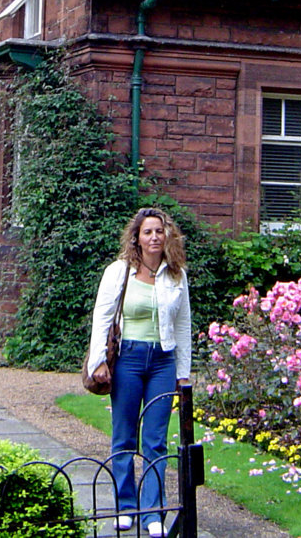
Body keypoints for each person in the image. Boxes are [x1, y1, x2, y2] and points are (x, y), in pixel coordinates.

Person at [87, 207, 192, 537]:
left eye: (159, 231)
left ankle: (152, 512)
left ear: (167, 235)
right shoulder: (119, 272)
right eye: (148, 232)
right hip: (128, 360)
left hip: (163, 361)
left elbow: (184, 324)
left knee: (156, 441)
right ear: (137, 237)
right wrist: (98, 362)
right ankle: (126, 507)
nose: (154, 237)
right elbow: (102, 318)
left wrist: (183, 372)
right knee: (124, 436)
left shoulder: (176, 275)